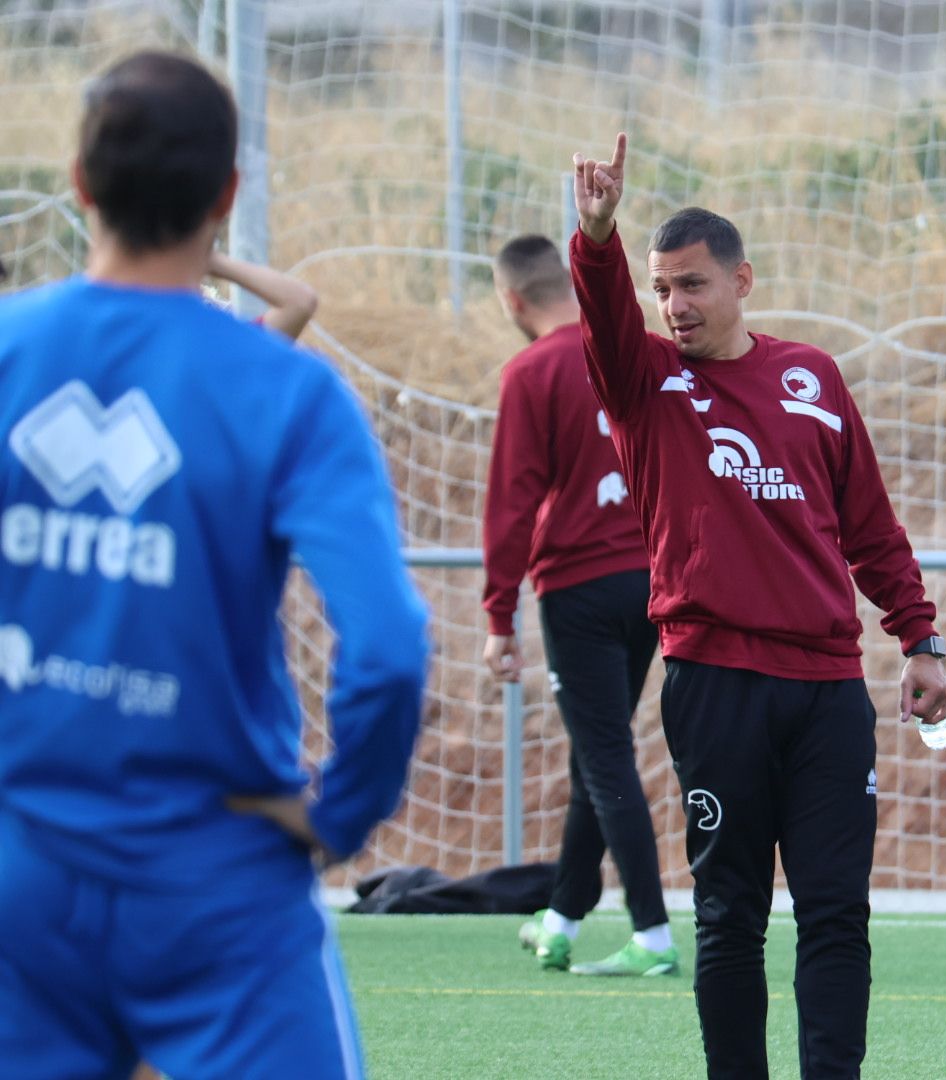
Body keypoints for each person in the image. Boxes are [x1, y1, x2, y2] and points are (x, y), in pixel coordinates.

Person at [0, 50, 429, 1079]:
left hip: (20, 866)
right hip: (215, 874)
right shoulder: (287, 392)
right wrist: (339, 816)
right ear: (228, 196)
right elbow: (388, 647)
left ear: (79, 182)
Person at [569, 133, 946, 1079]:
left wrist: (921, 638)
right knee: (730, 914)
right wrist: (596, 236)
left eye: (693, 285)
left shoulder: (813, 379)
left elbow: (868, 524)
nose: (676, 306)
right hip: (714, 683)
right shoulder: (646, 381)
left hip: (826, 693)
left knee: (835, 913)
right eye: (663, 289)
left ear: (743, 281)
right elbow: (609, 320)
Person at [481, 232, 678, 976]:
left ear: (512, 300)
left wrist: (499, 616)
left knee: (603, 753)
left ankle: (653, 933)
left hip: (580, 589)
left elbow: (511, 502)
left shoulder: (532, 370)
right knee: (595, 751)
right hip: (653, 580)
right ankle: (562, 918)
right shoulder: (639, 351)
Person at [206, 248, 319, 340]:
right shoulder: (228, 341)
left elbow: (300, 302)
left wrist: (203, 257)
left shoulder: (226, 331)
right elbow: (300, 302)